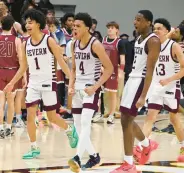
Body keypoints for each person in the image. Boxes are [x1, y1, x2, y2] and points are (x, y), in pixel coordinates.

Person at [4, 9, 78, 159]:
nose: (27, 25)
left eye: (30, 22)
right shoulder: (25, 44)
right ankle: (34, 147)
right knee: (31, 116)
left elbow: (62, 62)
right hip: (33, 84)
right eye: (26, 22)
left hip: (48, 82)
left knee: (52, 117)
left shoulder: (49, 40)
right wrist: (12, 83)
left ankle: (69, 129)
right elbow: (23, 67)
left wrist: (71, 80)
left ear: (38, 24)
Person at [111, 10, 161, 173]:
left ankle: (129, 164)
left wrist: (143, 95)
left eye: (139, 20)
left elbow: (150, 70)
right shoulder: (139, 38)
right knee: (125, 120)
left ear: (148, 22)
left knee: (126, 121)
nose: (135, 22)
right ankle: (147, 144)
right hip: (132, 79)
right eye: (135, 19)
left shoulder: (153, 41)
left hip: (140, 82)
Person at [135, 18, 184, 163]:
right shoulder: (153, 45)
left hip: (171, 86)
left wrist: (169, 79)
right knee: (149, 118)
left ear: (167, 30)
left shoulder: (174, 46)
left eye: (159, 28)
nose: (156, 31)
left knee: (174, 119)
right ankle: (141, 147)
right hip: (156, 87)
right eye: (154, 28)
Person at [67, 13, 113, 172]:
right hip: (78, 89)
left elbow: (109, 69)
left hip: (90, 89)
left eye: (78, 26)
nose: (75, 29)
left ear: (88, 28)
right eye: (73, 26)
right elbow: (73, 68)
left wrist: (96, 87)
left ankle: (77, 157)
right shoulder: (73, 44)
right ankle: (94, 156)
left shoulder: (95, 44)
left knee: (86, 123)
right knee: (79, 127)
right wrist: (70, 85)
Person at [160, 21, 184, 133]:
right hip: (166, 72)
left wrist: (181, 58)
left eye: (176, 31)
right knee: (168, 101)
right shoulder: (171, 41)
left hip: (174, 73)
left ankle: (173, 124)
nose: (173, 32)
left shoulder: (177, 44)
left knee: (170, 100)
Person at [0, 15, 22, 138]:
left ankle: (0, 128)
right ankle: (8, 127)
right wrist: (23, 76)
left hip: (0, 71)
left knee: (0, 103)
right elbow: (21, 60)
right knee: (11, 102)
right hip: (13, 72)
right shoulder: (17, 40)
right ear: (12, 26)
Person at [103, 21, 125, 124]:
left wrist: (120, 71)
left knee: (113, 94)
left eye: (112, 28)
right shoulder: (103, 40)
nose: (110, 29)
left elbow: (122, 59)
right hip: (103, 69)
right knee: (101, 94)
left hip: (114, 71)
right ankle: (102, 113)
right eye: (108, 27)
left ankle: (112, 114)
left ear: (117, 30)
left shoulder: (119, 42)